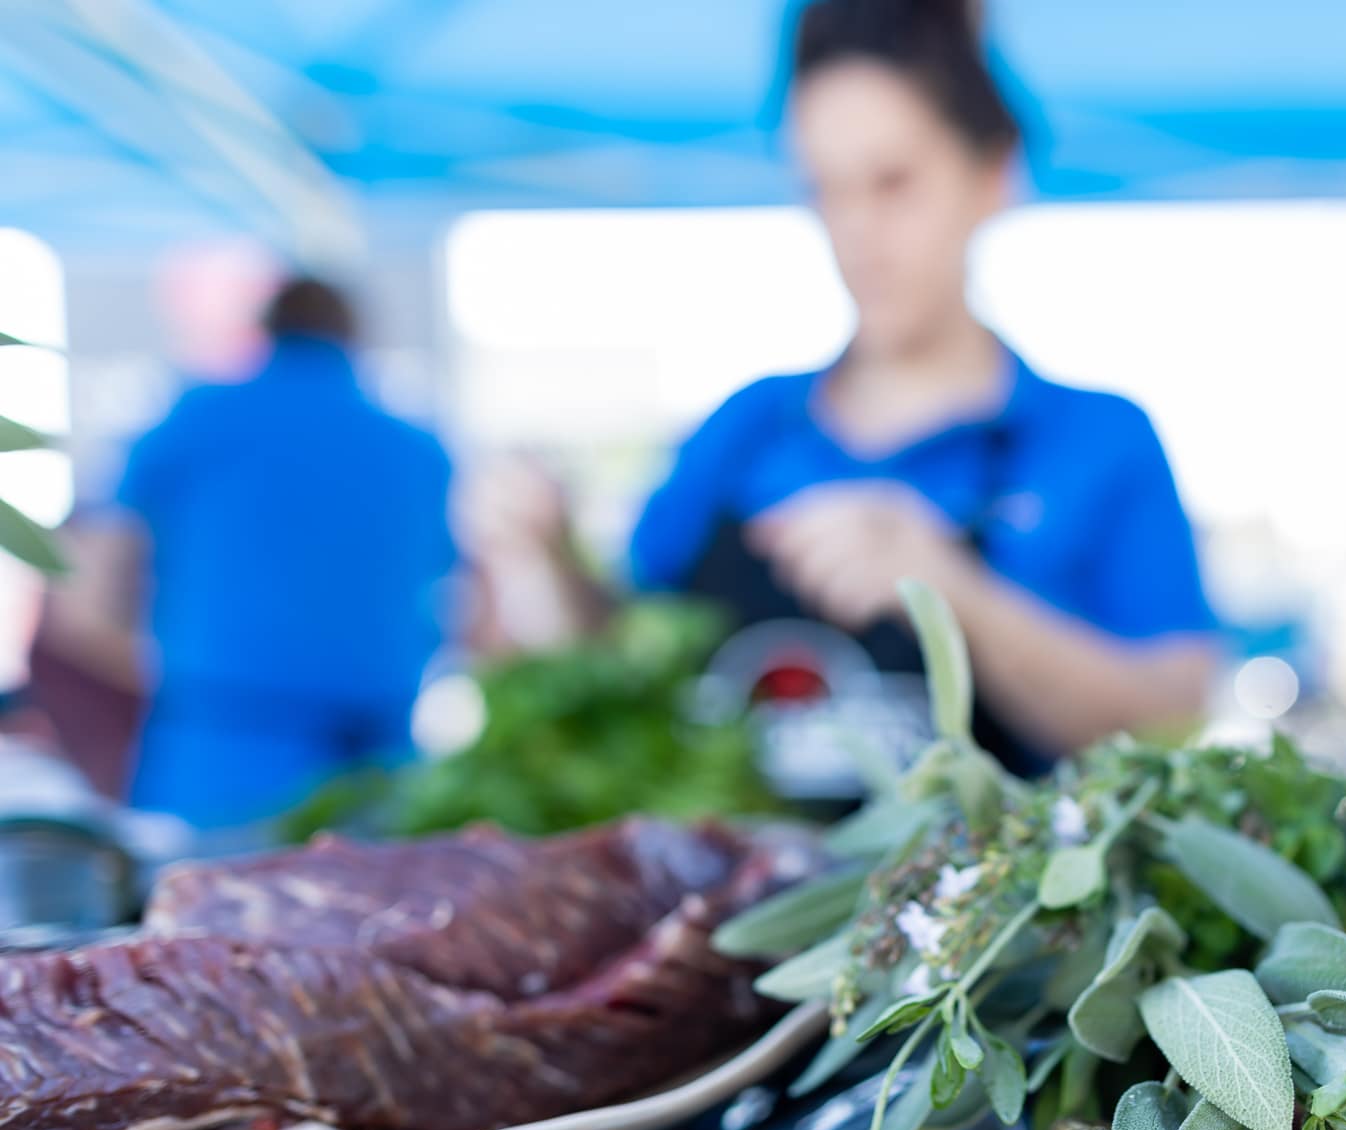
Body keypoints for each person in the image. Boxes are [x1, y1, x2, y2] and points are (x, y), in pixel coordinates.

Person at [505, 0, 1217, 775]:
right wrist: (547, 554)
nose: (858, 233)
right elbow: (621, 663)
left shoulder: (1096, 441)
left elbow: (1174, 717)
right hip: (742, 894)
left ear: (992, 174)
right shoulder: (745, 431)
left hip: (994, 896)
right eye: (827, 189)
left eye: (893, 183)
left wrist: (955, 595)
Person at [53, 278, 456, 829]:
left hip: (219, 754)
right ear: (354, 338)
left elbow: (87, 599)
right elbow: (457, 601)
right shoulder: (419, 447)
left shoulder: (191, 420)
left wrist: (172, 662)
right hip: (380, 765)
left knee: (205, 905)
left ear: (265, 331)